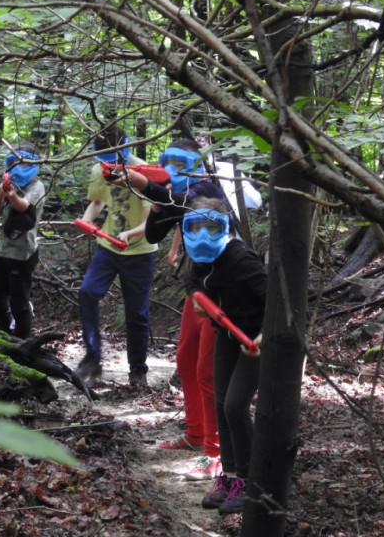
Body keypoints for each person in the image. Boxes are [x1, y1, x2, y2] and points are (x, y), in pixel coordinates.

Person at [112, 139, 231, 481]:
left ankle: (216, 452)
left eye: (181, 163)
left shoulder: (207, 190)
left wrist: (148, 187)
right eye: (168, 163)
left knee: (208, 370)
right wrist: (154, 198)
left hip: (223, 292)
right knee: (185, 359)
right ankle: (195, 434)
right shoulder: (172, 195)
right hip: (197, 288)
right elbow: (153, 234)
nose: (173, 169)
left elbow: (188, 203)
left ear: (198, 164)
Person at [180, 196, 266, 516]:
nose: (203, 235)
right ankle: (229, 477)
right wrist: (197, 297)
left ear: (225, 227)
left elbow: (277, 300)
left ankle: (250, 480)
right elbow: (190, 280)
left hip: (257, 341)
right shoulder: (197, 258)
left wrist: (263, 335)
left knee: (235, 406)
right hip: (228, 336)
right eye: (196, 227)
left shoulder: (241, 259)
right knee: (220, 406)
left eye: (211, 227)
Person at [75, 125, 158, 387]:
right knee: (88, 293)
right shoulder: (98, 170)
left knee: (137, 313)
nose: (108, 165)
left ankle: (138, 370)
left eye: (113, 159)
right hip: (108, 247)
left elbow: (151, 221)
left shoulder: (141, 171)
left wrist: (130, 234)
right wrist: (87, 221)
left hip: (140, 251)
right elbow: (97, 201)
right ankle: (92, 358)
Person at [0, 143, 46, 342]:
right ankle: (7, 334)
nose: (17, 167)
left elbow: (23, 206)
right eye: (13, 162)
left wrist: (11, 194)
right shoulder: (10, 184)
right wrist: (1, 192)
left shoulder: (36, 187)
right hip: (4, 251)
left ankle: (22, 344)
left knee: (19, 304)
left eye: (21, 162)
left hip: (22, 254)